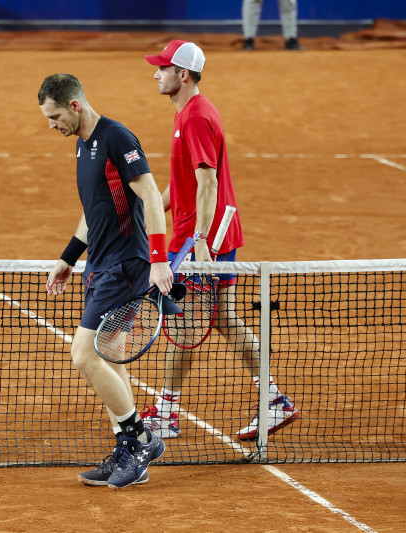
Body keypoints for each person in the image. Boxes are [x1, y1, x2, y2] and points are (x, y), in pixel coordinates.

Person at [142, 39, 300, 441]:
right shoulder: (188, 113)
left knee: (186, 324)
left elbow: (207, 181)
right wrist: (148, 208)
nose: (155, 74)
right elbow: (181, 185)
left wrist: (198, 239)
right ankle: (273, 400)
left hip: (203, 238)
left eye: (162, 68)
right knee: (222, 319)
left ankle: (165, 412)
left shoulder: (194, 117)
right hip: (206, 233)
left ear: (183, 74)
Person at [38, 73, 176, 489]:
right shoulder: (83, 146)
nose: (52, 125)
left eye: (55, 116)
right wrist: (67, 258)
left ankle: (140, 439)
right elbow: (94, 211)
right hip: (99, 266)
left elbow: (151, 196)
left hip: (125, 266)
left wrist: (158, 260)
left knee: (84, 355)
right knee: (113, 357)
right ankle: (128, 449)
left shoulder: (116, 138)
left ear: (75, 105)